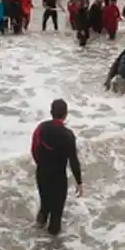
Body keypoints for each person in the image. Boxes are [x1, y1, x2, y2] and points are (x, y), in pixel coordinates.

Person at [31, 99, 83, 236]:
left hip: (42, 174)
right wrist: (79, 181)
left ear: (51, 112)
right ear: (65, 114)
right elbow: (73, 160)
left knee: (44, 205)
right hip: (58, 178)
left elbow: (34, 149)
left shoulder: (41, 128)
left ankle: (36, 236)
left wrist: (41, 164)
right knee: (56, 213)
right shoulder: (68, 135)